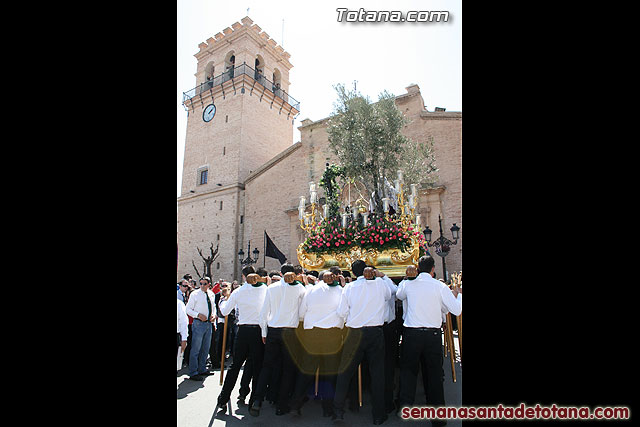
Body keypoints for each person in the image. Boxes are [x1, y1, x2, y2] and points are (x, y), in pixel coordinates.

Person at [395, 256, 461, 426]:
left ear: (417, 268)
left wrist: (406, 278)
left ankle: (404, 406)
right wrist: (459, 295)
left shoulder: (409, 284)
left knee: (408, 371)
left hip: (411, 334)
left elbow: (399, 295)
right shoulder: (439, 286)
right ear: (432, 270)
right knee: (435, 376)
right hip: (432, 336)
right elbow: (456, 310)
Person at [330, 260, 391, 425]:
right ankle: (378, 414)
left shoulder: (349, 288)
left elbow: (342, 311)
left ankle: (337, 411)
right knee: (377, 373)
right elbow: (392, 293)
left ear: (354, 273)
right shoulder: (380, 284)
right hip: (375, 332)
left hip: (355, 333)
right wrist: (381, 276)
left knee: (345, 372)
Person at [249, 263, 306, 417]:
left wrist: (264, 332)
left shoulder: (271, 288)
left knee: (267, 367)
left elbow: (263, 313)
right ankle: (281, 405)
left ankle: (257, 400)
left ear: (281, 274)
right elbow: (302, 313)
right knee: (288, 370)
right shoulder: (300, 288)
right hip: (290, 332)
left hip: (273, 331)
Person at [289, 270, 345, 417]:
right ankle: (328, 408)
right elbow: (344, 313)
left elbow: (301, 314)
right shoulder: (341, 291)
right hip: (332, 334)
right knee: (330, 372)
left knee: (307, 370)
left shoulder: (311, 291)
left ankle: (295, 404)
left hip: (312, 334)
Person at [215, 265, 268, 413]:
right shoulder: (264, 289)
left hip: (243, 331)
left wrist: (224, 300)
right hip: (258, 331)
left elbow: (225, 310)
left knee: (235, 366)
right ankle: (254, 402)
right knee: (257, 367)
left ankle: (223, 398)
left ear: (244, 276)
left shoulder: (238, 291)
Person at [184, 276, 216, 381]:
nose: (202, 286)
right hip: (198, 323)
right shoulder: (195, 294)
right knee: (196, 348)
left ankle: (202, 368)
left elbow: (213, 307)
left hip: (208, 323)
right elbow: (188, 309)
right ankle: (193, 371)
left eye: (204, 284)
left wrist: (213, 315)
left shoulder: (211, 294)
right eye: (201, 283)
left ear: (209, 284)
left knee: (205, 348)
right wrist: (198, 315)